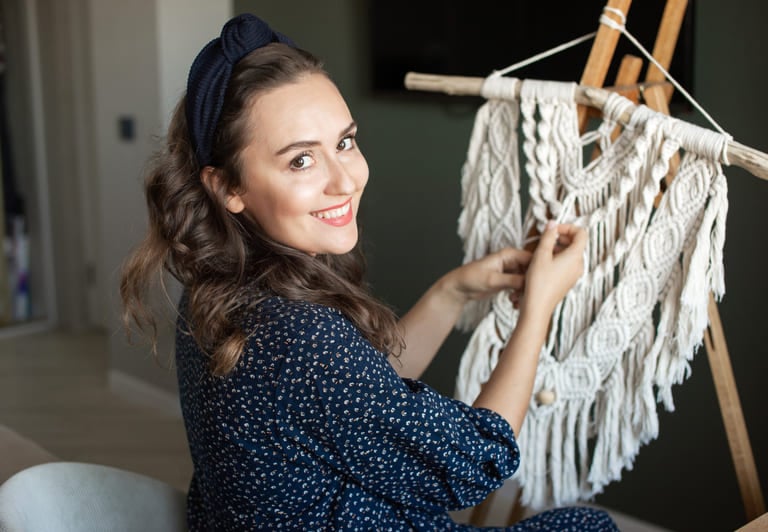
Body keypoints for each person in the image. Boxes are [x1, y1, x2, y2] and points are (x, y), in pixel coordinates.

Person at [121, 13, 618, 532]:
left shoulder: (216, 290)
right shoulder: (299, 337)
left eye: (344, 142)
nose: (344, 180)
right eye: (300, 161)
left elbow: (358, 403)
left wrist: (453, 292)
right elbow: (479, 459)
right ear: (228, 187)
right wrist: (539, 306)